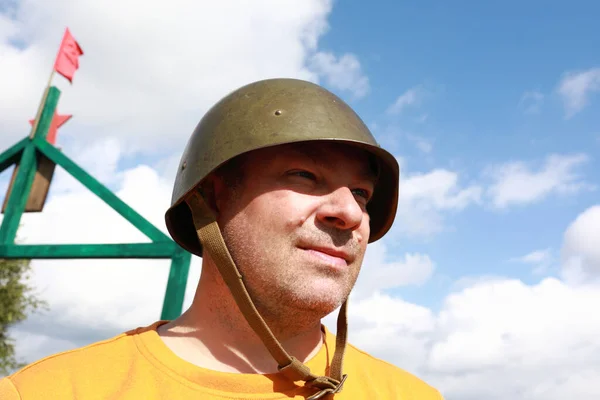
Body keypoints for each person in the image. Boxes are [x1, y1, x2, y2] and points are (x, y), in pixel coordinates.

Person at [0, 78, 443, 399]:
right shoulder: (53, 391)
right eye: (305, 175)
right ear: (210, 199)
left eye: (362, 194)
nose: (349, 213)